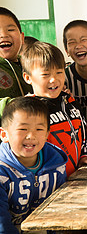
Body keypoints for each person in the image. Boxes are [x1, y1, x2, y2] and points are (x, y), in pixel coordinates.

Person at [21, 41, 87, 176]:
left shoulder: (70, 102)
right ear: (28, 78)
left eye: (59, 72)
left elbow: (83, 133)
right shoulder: (27, 111)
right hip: (46, 186)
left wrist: (83, 156)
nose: (54, 79)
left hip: (76, 179)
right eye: (45, 74)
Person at [0, 97, 67, 233]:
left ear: (47, 134)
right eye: (23, 129)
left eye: (39, 129)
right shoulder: (2, 171)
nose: (31, 135)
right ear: (4, 134)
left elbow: (61, 208)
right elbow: (1, 223)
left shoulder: (56, 163)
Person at [0, 7, 33, 98]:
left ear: (22, 38)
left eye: (10, 30)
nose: (3, 35)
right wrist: (19, 105)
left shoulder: (31, 64)